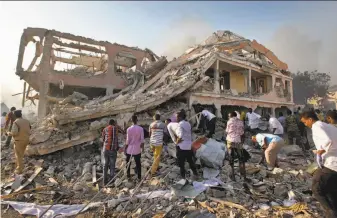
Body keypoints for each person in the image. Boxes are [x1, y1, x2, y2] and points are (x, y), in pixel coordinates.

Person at [300, 111, 337, 217]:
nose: (305, 125)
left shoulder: (316, 126)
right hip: (333, 163)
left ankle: (331, 214)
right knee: (331, 189)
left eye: (305, 122)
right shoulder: (328, 126)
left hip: (332, 163)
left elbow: (327, 141)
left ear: (310, 119)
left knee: (317, 188)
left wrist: (320, 152)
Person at [173, 111, 199, 179]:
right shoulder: (188, 123)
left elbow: (180, 136)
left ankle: (183, 177)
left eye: (177, 117)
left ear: (180, 117)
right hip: (188, 146)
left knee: (181, 164)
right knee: (190, 161)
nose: (176, 118)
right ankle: (196, 174)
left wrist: (177, 142)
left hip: (181, 147)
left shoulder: (180, 124)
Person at [6, 110, 31, 175]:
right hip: (26, 140)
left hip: (19, 141)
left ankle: (19, 170)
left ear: (15, 116)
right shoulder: (27, 121)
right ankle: (19, 166)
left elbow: (14, 132)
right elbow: (29, 129)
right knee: (21, 154)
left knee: (18, 155)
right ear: (21, 115)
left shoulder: (16, 122)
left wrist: (9, 133)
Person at [226, 112, 247, 181]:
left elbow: (227, 131)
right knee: (241, 158)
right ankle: (243, 176)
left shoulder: (229, 121)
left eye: (229, 116)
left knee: (231, 158)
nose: (229, 117)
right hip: (238, 141)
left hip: (230, 141)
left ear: (232, 116)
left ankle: (233, 176)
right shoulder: (241, 122)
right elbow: (242, 133)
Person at [125, 115, 144, 181]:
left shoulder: (128, 129)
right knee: (138, 163)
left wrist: (125, 147)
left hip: (129, 149)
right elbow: (142, 140)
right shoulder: (141, 129)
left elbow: (127, 140)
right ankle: (139, 177)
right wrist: (142, 148)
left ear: (131, 121)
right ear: (137, 120)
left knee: (128, 163)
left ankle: (128, 176)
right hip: (137, 149)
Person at [101, 119, 119, 185]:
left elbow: (103, 139)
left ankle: (104, 181)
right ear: (113, 123)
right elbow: (115, 139)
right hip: (112, 150)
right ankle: (111, 181)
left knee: (105, 165)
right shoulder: (115, 128)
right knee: (112, 165)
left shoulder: (105, 129)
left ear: (108, 123)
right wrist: (117, 147)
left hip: (105, 149)